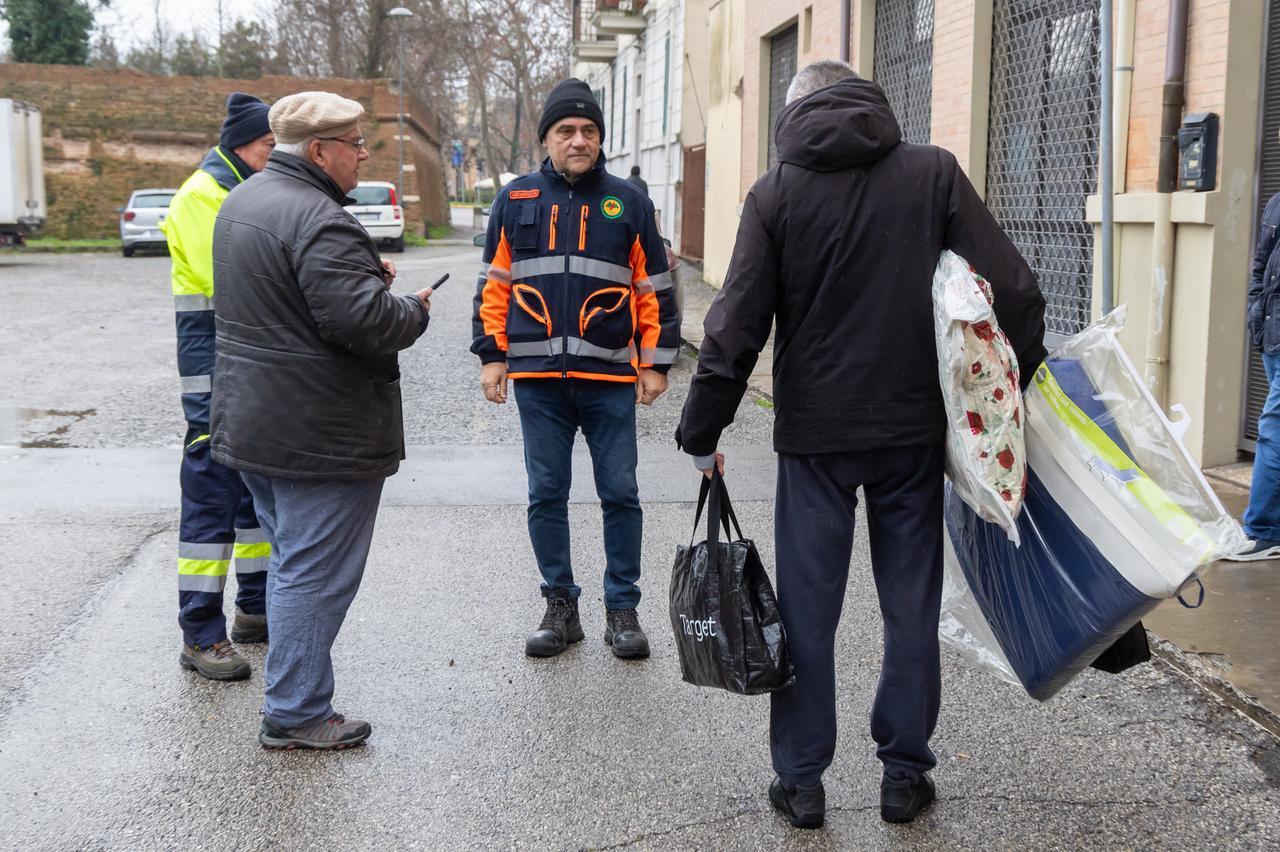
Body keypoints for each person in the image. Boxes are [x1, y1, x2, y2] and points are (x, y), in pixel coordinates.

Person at [675, 62, 1047, 827]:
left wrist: (702, 429)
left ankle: (802, 781)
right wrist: (1027, 380)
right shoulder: (932, 174)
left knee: (808, 611)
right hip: (910, 433)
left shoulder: (775, 192)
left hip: (815, 438)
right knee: (909, 604)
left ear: (795, 111)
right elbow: (1013, 287)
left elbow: (736, 324)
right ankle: (903, 775)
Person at [211, 91, 434, 749]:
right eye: (355, 143)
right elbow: (366, 324)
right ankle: (296, 711)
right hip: (320, 432)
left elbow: (286, 300)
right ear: (318, 150)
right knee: (313, 575)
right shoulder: (320, 219)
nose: (363, 154)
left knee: (292, 562)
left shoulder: (243, 200)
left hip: (258, 420)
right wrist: (412, 308)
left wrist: (364, 278)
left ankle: (295, 701)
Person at [472, 78, 680, 660]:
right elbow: (494, 285)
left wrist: (656, 363)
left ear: (600, 139)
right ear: (546, 138)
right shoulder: (515, 199)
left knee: (621, 493)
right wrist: (492, 356)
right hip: (539, 382)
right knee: (546, 494)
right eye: (566, 130)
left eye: (589, 130)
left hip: (609, 378)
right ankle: (560, 608)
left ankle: (623, 610)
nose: (579, 140)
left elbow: (654, 289)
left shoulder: (629, 202)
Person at [163, 92, 275, 681]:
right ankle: (201, 634)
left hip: (247, 370)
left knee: (254, 494)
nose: (277, 155)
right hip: (213, 376)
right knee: (212, 500)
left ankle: (254, 609)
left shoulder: (242, 190)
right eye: (270, 145)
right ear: (242, 145)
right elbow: (235, 279)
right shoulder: (202, 195)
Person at [1232, 142, 1280, 562]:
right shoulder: (1276, 202)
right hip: (1271, 334)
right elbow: (1261, 266)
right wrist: (1255, 314)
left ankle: (1264, 530)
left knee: (1271, 428)